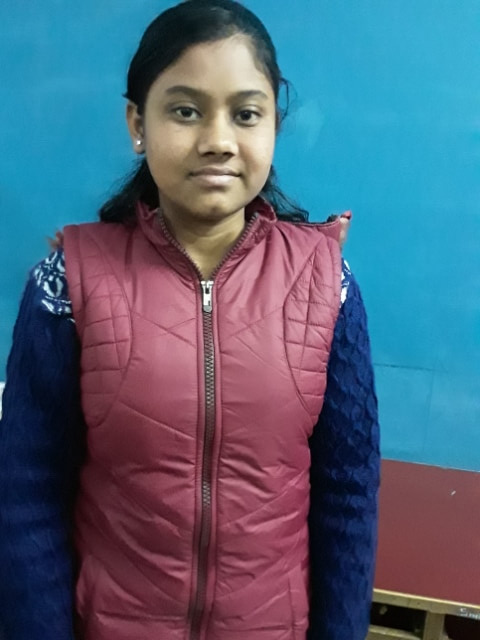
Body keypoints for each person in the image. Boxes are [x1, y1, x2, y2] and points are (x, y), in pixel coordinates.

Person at [0, 1, 380, 639]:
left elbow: (348, 493)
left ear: (274, 125)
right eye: (185, 111)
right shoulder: (68, 284)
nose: (218, 141)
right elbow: (26, 492)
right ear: (137, 123)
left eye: (246, 114)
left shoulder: (326, 285)